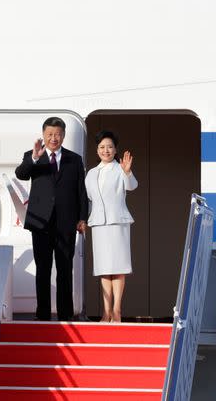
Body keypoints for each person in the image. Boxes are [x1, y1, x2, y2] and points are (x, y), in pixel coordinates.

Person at [15, 117, 87, 321]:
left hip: (66, 223)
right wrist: (35, 158)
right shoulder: (33, 156)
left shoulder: (74, 159)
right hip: (41, 223)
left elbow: (81, 191)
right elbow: (21, 174)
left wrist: (82, 218)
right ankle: (43, 314)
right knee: (43, 269)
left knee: (65, 269)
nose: (53, 138)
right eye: (50, 134)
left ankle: (65, 315)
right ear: (43, 135)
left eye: (57, 134)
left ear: (63, 135)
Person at [84, 130, 137, 322]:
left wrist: (127, 171)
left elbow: (131, 186)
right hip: (98, 224)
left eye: (109, 147)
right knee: (104, 268)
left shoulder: (120, 169)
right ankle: (106, 311)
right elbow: (89, 199)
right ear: (97, 150)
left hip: (118, 222)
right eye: (102, 147)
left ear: (115, 150)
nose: (106, 150)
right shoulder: (91, 173)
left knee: (118, 267)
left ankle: (117, 310)